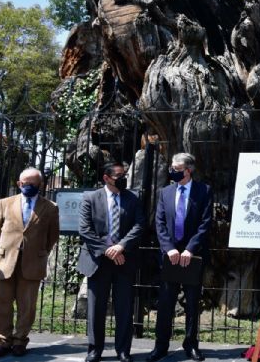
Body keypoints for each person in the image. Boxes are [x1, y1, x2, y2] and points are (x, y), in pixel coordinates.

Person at [147, 153, 212, 362]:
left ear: (188, 170)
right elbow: (160, 223)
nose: (172, 172)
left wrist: (190, 248)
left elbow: (205, 223)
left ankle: (191, 344)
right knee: (166, 302)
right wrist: (169, 248)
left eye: (176, 169)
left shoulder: (204, 191)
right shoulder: (165, 192)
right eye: (171, 168)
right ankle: (161, 345)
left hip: (192, 256)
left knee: (193, 303)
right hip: (170, 256)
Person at [78, 162, 145, 362]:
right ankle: (94, 350)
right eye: (118, 175)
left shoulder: (132, 198)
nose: (123, 178)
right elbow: (85, 230)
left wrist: (121, 246)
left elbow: (140, 224)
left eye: (124, 174)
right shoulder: (90, 198)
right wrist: (108, 250)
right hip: (98, 260)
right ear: (106, 178)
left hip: (124, 260)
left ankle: (123, 350)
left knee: (124, 308)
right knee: (96, 308)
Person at [0, 168, 59, 358]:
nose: (27, 186)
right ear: (19, 184)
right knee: (0, 302)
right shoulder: (5, 203)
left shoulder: (50, 207)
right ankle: (3, 340)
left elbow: (53, 235)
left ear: (40, 184)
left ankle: (20, 340)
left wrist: (38, 252)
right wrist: (8, 248)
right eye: (24, 183)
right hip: (6, 260)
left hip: (32, 262)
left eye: (32, 183)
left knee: (26, 305)